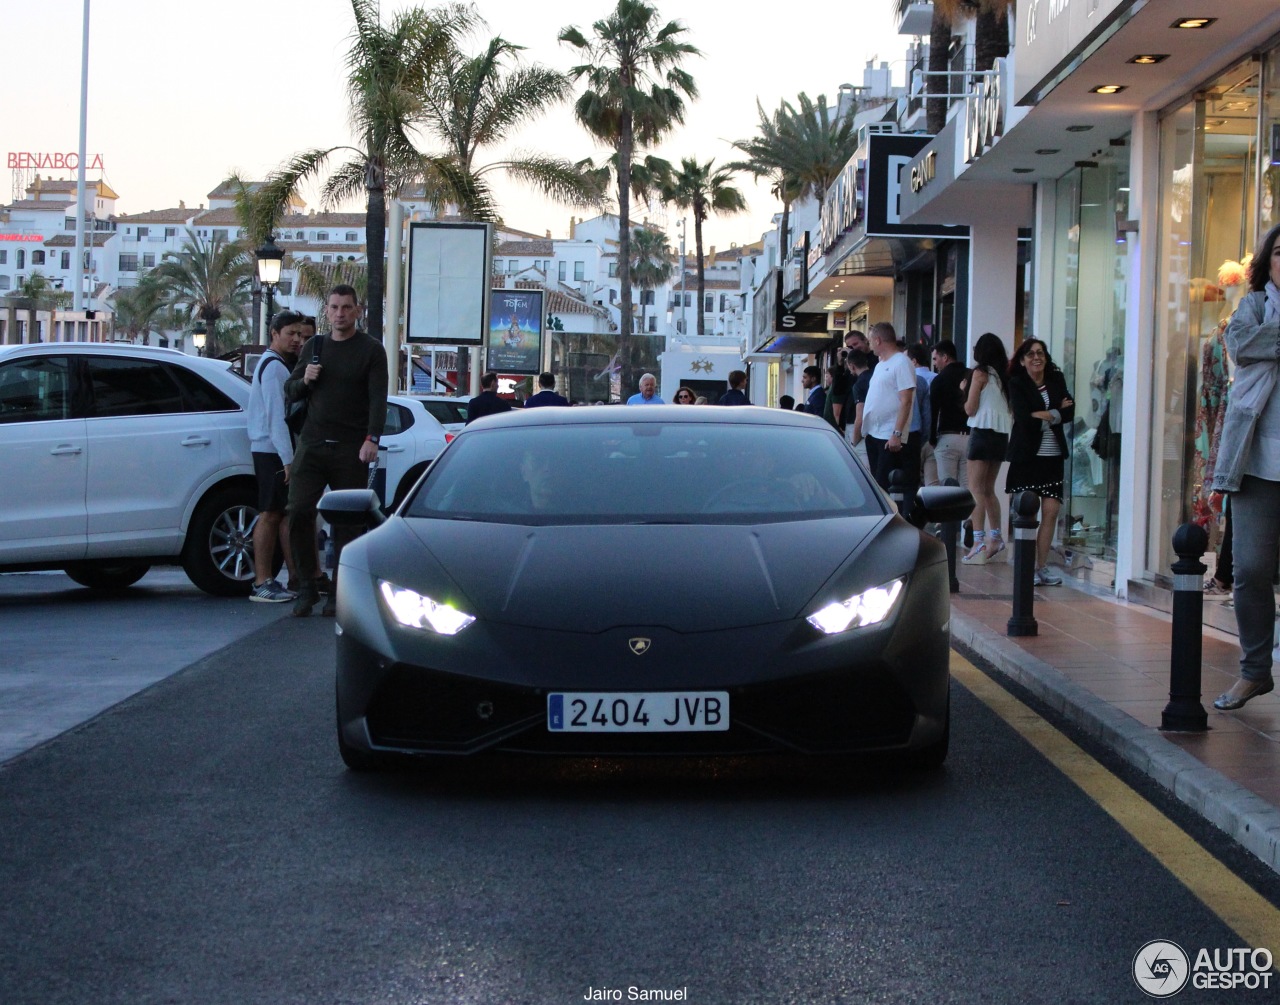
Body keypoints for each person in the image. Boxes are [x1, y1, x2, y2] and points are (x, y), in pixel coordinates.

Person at [1208, 223, 1280, 710]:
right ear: (1267, 263)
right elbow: (1240, 343)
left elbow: (1259, 344)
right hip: (1255, 464)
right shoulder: (1251, 306)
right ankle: (1255, 671)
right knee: (1251, 569)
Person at [285, 285, 388, 617]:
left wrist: (372, 438)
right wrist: (306, 379)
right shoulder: (314, 347)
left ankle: (339, 591)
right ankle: (306, 587)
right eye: (334, 307)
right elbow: (290, 390)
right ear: (326, 312)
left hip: (350, 447)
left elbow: (378, 398)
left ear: (357, 311)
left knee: (346, 523)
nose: (340, 313)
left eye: (346, 307)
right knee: (298, 511)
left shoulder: (371, 350)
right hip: (312, 444)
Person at [246, 310, 308, 602]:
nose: (297, 339)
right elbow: (275, 418)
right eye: (290, 334)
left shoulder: (277, 365)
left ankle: (284, 577)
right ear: (274, 334)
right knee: (269, 514)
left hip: (273, 451)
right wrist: (287, 459)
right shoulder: (273, 367)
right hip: (271, 452)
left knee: (277, 514)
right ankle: (262, 580)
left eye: (299, 334)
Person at [1006, 338, 1074, 586]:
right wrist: (1056, 413)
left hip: (1052, 456)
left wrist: (1047, 415)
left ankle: (1041, 566)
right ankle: (1026, 567)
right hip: (1027, 457)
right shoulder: (1017, 383)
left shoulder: (1056, 380)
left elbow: (1070, 411)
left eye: (1041, 353)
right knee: (1027, 512)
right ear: (1023, 360)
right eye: (1031, 354)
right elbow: (1024, 419)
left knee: (1051, 511)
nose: (1037, 357)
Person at [961, 332, 1012, 564]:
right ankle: (997, 537)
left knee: (975, 489)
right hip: (1001, 436)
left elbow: (970, 409)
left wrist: (965, 388)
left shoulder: (979, 373)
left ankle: (978, 542)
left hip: (981, 433)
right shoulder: (1004, 376)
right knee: (989, 489)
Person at [861, 322, 919, 518]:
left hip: (888, 434)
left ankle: (891, 521)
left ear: (878, 340)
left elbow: (906, 400)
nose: (870, 345)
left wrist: (897, 433)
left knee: (885, 484)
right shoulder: (879, 365)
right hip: (874, 432)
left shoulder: (901, 363)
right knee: (877, 483)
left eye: (870, 340)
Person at [929, 340, 969, 493]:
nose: (935, 363)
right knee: (968, 488)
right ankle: (969, 518)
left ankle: (948, 517)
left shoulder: (939, 380)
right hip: (969, 436)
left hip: (947, 437)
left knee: (947, 488)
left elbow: (934, 411)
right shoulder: (970, 375)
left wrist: (932, 438)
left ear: (944, 357)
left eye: (935, 358)